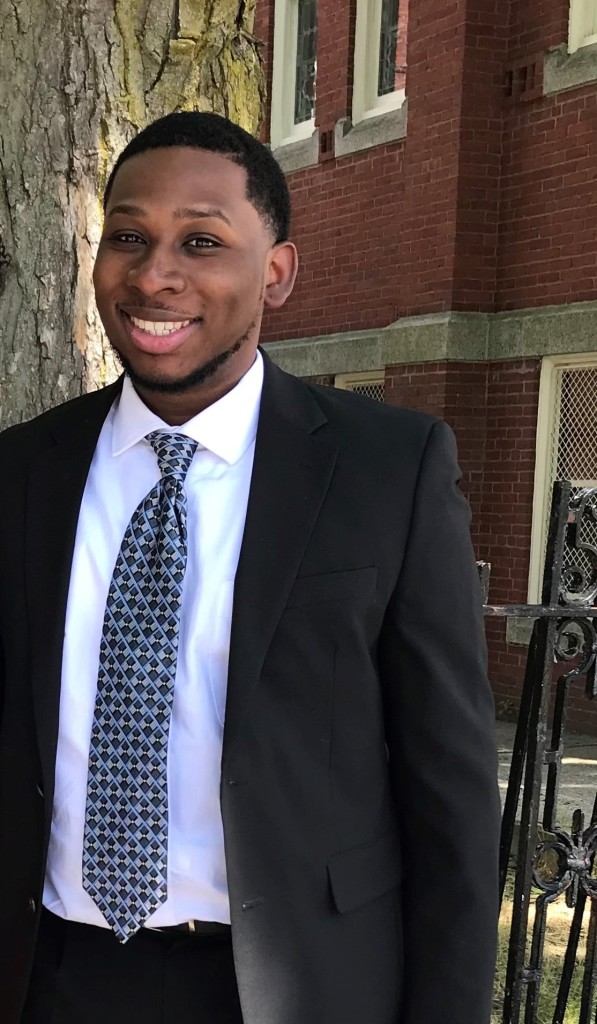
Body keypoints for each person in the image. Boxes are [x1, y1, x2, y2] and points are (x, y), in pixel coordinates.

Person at [0, 111, 500, 1024]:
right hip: (52, 976)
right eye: (127, 237)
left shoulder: (387, 470)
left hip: (291, 985)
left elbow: (450, 797)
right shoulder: (22, 472)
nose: (155, 275)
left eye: (201, 241)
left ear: (276, 272)